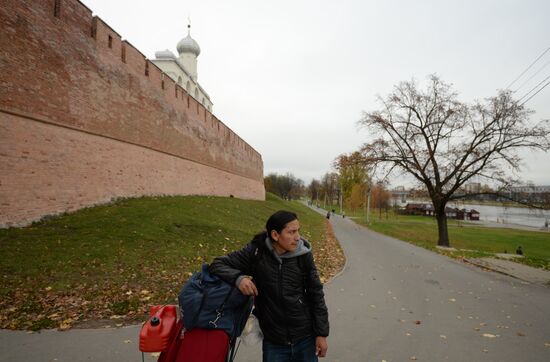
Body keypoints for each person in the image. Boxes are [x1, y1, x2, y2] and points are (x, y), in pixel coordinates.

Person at [209, 210, 329, 361]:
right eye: (291, 232)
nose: (298, 237)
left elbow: (316, 294)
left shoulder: (303, 255)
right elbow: (217, 264)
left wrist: (321, 334)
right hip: (274, 343)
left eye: (298, 231)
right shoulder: (256, 252)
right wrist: (238, 279)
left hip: (305, 339)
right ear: (275, 235)